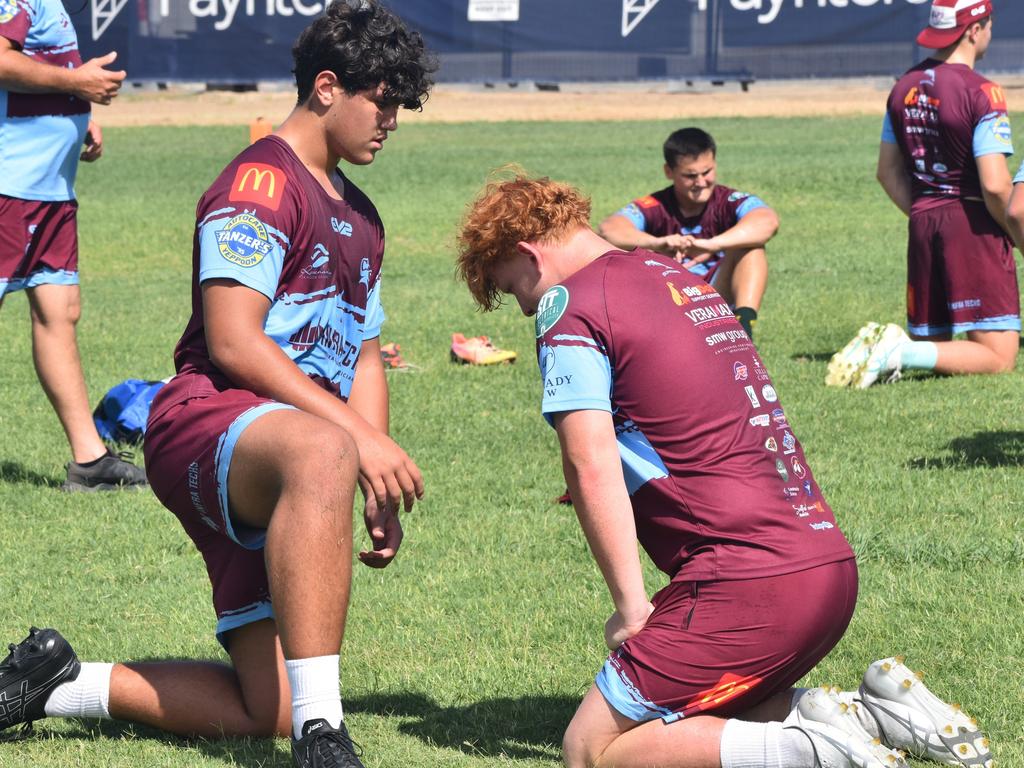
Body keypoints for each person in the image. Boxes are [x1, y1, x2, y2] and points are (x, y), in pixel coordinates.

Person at [0, 3, 432, 767]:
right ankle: (324, 737)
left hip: (291, 454)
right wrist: (352, 444)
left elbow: (364, 354)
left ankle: (55, 684)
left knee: (263, 706)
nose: (393, 119)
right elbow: (232, 340)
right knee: (324, 449)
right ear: (327, 88)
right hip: (208, 419)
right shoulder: (261, 182)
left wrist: (376, 469)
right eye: (384, 99)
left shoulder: (362, 216)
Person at [455, 173, 992, 768]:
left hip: (746, 587)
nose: (524, 305)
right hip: (825, 568)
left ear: (528, 254)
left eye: (513, 289)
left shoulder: (567, 307)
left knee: (590, 750)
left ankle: (815, 754)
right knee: (703, 707)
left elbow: (589, 460)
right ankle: (873, 711)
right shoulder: (679, 279)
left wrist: (633, 608)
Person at [827, 0, 1018, 389]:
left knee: (939, 342)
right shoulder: (983, 92)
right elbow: (996, 184)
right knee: (999, 355)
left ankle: (893, 350)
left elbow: (887, 172)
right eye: (990, 24)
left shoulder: (902, 87)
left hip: (923, 224)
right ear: (973, 29)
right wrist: (1013, 231)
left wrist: (922, 212)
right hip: (972, 225)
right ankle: (899, 351)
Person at [0, 0, 145, 489]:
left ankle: (90, 461)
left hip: (48, 192)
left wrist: (76, 113)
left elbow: (38, 66)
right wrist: (74, 86)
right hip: (9, 187)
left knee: (59, 311)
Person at [598, 127, 778, 340]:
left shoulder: (729, 200)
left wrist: (713, 244)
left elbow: (768, 221)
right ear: (669, 171)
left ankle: (743, 327)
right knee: (628, 255)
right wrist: (658, 243)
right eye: (690, 176)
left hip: (715, 294)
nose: (701, 182)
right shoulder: (655, 205)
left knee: (752, 248)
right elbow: (608, 230)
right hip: (669, 299)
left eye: (707, 172)